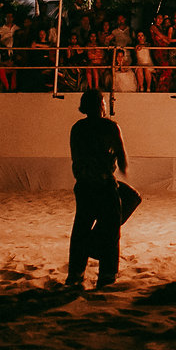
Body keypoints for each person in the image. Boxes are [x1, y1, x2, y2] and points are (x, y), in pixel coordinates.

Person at [66, 89, 128, 288]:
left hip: (84, 185)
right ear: (101, 106)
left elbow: (77, 158)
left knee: (81, 228)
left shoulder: (77, 128)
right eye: (103, 102)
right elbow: (122, 156)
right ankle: (107, 275)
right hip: (104, 184)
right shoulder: (110, 127)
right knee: (111, 229)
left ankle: (76, 273)